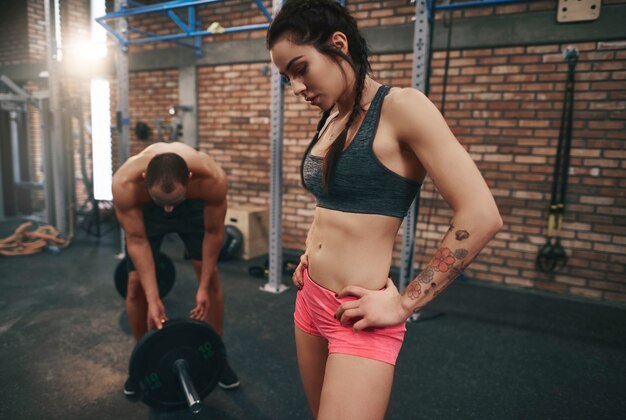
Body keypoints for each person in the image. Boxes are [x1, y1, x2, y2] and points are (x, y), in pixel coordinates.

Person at [267, 1, 503, 418]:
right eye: (287, 77)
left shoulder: (402, 107)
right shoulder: (332, 116)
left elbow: (481, 215)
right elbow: (333, 206)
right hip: (309, 298)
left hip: (360, 315)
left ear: (338, 44)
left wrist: (404, 304)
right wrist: (310, 253)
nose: (297, 87)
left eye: (300, 68)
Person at [112, 142, 240, 398]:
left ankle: (218, 356)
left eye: (174, 202)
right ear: (145, 178)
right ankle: (142, 357)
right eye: (163, 202)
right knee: (135, 284)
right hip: (146, 207)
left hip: (193, 206)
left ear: (190, 179)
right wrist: (153, 298)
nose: (169, 209)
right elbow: (137, 242)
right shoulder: (125, 185)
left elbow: (214, 234)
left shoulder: (212, 179)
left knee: (211, 278)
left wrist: (202, 287)